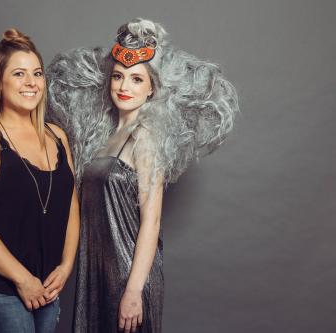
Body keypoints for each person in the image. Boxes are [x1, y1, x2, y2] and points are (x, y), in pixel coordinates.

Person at [47, 18, 239, 332]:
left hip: (127, 275)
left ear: (152, 88)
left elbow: (151, 220)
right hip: (96, 271)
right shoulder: (102, 137)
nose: (124, 87)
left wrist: (134, 290)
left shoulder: (146, 136)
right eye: (118, 77)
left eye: (137, 79)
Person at [0, 28, 79, 333]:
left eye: (37, 73)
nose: (31, 83)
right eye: (19, 74)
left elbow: (71, 207)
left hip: (47, 287)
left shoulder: (58, 137)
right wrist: (22, 279)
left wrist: (66, 265)